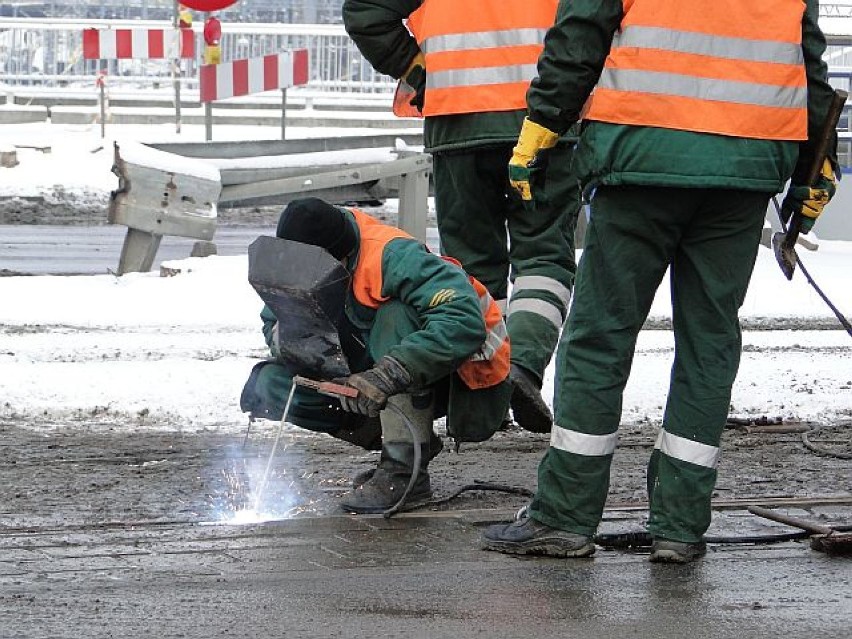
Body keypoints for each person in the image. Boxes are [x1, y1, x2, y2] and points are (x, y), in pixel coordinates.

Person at [482, 0, 839, 562]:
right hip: (746, 167)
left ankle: (565, 515)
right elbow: (809, 63)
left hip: (640, 155)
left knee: (600, 336)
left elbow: (580, 37)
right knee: (709, 343)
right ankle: (680, 526)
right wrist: (817, 167)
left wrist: (542, 127)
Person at [342, 0, 582, 433]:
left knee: (473, 271)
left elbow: (366, 11)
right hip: (547, 117)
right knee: (543, 260)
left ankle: (483, 404)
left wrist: (420, 73)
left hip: (458, 120)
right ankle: (523, 365)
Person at [240, 197, 512, 514]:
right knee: (271, 385)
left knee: (395, 316)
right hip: (377, 368)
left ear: (339, 257)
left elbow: (463, 321)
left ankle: (403, 470)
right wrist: (310, 354)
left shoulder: (391, 255)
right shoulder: (301, 255)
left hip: (463, 377)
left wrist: (384, 376)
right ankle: (408, 443)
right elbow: (273, 320)